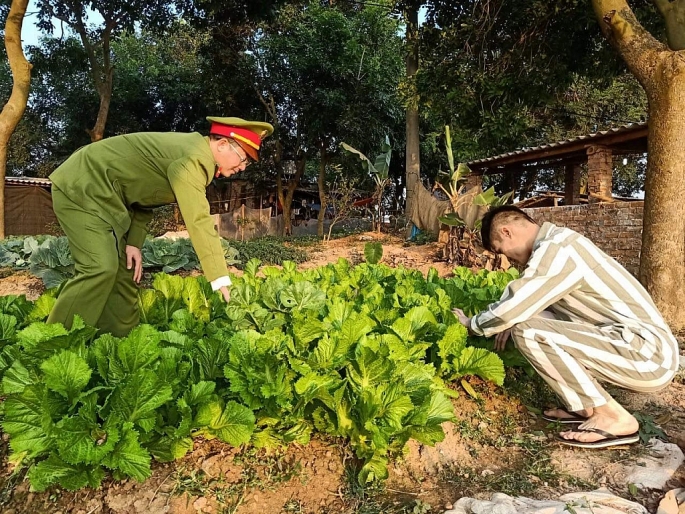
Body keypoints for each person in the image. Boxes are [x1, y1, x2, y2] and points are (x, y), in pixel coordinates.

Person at [452, 206, 679, 449]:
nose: (508, 259)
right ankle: (587, 407)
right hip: (633, 346)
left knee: (528, 331)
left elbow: (515, 304)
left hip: (649, 355)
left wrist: (471, 324)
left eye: (501, 250)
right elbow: (538, 309)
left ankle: (614, 417)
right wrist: (517, 315)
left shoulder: (557, 250)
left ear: (506, 232)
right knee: (527, 322)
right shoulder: (560, 242)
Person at [47, 116, 274, 337]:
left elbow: (145, 196)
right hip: (84, 187)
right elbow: (198, 219)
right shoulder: (194, 159)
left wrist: (134, 243)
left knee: (124, 275)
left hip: (106, 198)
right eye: (243, 159)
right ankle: (52, 344)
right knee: (99, 268)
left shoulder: (193, 153)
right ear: (223, 144)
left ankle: (118, 346)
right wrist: (219, 277)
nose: (243, 167)